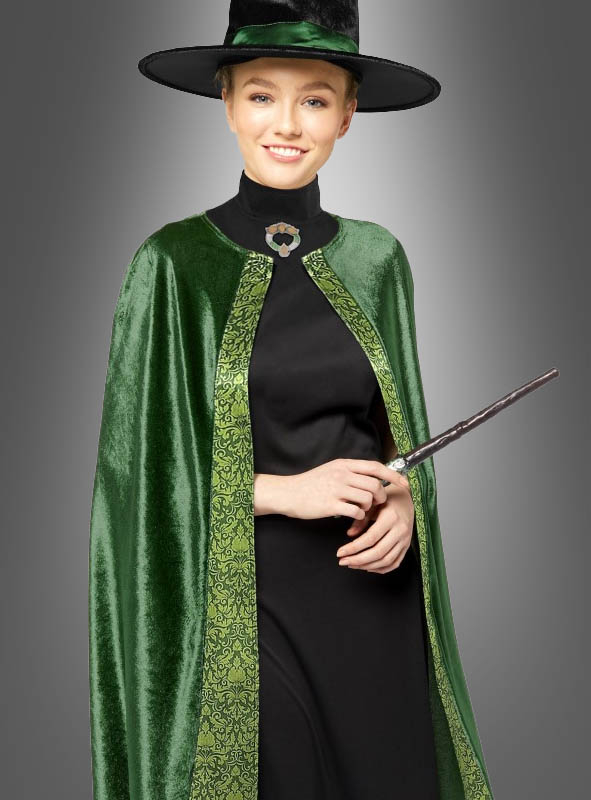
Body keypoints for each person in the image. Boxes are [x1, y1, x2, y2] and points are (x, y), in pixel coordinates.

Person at [89, 3, 495, 800]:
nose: (287, 123)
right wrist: (283, 492)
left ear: (346, 115)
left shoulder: (377, 258)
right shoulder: (172, 263)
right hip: (240, 606)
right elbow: (134, 485)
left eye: (314, 98)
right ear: (226, 102)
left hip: (371, 598)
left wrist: (406, 497)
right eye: (260, 95)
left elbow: (396, 430)